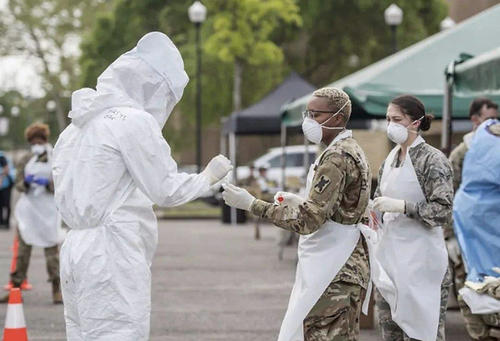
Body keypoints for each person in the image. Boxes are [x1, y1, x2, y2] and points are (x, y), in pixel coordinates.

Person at [52, 32, 232, 340]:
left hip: (74, 247)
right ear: (154, 87)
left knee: (82, 333)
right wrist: (207, 178)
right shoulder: (133, 121)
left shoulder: (77, 126)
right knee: (119, 331)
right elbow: (165, 189)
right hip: (111, 249)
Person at [223, 87, 372, 341]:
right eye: (307, 113)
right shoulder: (348, 147)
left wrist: (252, 204)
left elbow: (308, 221)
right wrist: (301, 201)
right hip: (339, 263)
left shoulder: (336, 157)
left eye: (316, 114)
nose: (308, 122)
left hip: (336, 269)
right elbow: (337, 208)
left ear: (337, 117)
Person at [371, 95, 453, 341]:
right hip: (391, 261)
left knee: (423, 333)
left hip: (422, 264)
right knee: (391, 333)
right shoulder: (390, 159)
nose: (390, 125)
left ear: (415, 122)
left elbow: (443, 211)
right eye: (388, 119)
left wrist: (404, 206)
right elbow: (378, 199)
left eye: (396, 119)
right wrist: (373, 213)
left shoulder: (432, 160)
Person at [0, 123, 63, 304]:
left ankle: (56, 289)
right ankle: (15, 288)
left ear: (45, 139)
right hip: (29, 210)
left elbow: (60, 183)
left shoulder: (54, 158)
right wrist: (26, 183)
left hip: (48, 210)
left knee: (52, 251)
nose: (37, 143)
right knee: (22, 251)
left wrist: (49, 184)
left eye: (40, 140)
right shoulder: (26, 159)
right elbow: (18, 184)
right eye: (33, 141)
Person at [452, 119, 500, 340]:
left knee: (474, 294)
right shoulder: (472, 144)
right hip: (474, 227)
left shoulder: (475, 140)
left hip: (471, 225)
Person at [447, 98, 499, 295]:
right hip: (466, 230)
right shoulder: (463, 152)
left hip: (492, 227)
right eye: (490, 118)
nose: (494, 123)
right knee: (470, 288)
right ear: (475, 120)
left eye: (497, 118)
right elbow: (448, 194)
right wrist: (449, 235)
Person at [0, 150, 14, 229]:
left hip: (5, 185)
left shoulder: (1, 157)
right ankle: (1, 222)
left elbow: (6, 169)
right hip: (2, 185)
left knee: (6, 204)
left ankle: (7, 223)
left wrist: (1, 179)